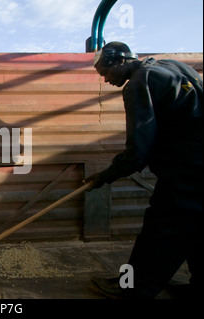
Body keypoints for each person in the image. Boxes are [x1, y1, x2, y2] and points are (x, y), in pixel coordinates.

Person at [86, 41, 203, 299]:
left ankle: (132, 287)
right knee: (196, 229)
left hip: (187, 170)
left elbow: (138, 149)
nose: (106, 80)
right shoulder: (174, 67)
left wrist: (106, 176)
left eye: (105, 73)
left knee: (160, 230)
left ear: (121, 61)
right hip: (197, 166)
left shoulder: (140, 82)